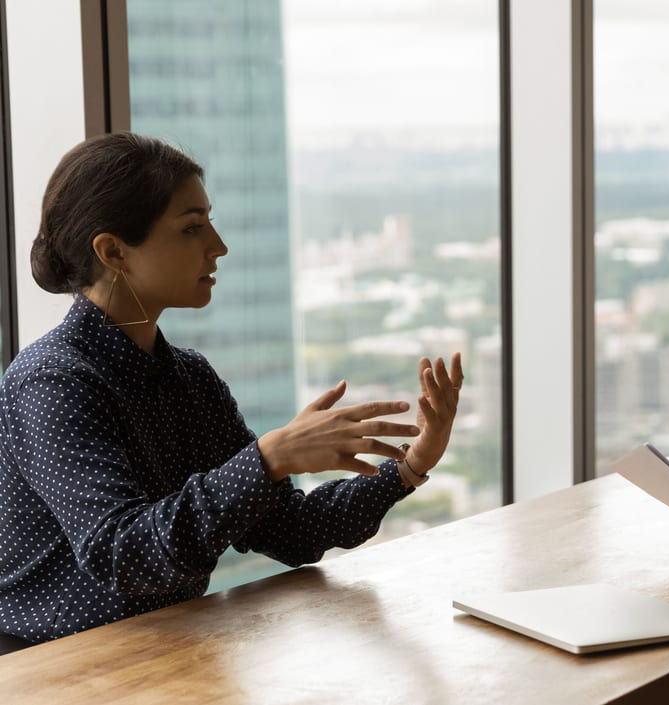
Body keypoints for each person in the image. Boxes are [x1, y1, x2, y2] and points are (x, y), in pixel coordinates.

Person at [0, 132, 463, 646]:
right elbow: (123, 554)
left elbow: (291, 531)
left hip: (167, 657)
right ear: (114, 252)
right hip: (53, 673)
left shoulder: (188, 378)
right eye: (192, 228)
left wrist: (410, 465)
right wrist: (267, 458)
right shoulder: (51, 383)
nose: (218, 247)